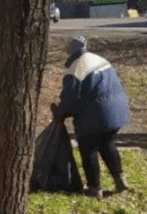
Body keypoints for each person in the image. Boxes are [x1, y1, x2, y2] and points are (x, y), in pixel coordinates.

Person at [52, 36, 130, 199]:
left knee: (88, 150)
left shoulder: (76, 68)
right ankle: (120, 181)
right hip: (116, 110)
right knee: (107, 144)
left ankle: (95, 189)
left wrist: (59, 113)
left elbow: (70, 98)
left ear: (70, 51)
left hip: (96, 115)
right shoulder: (98, 59)